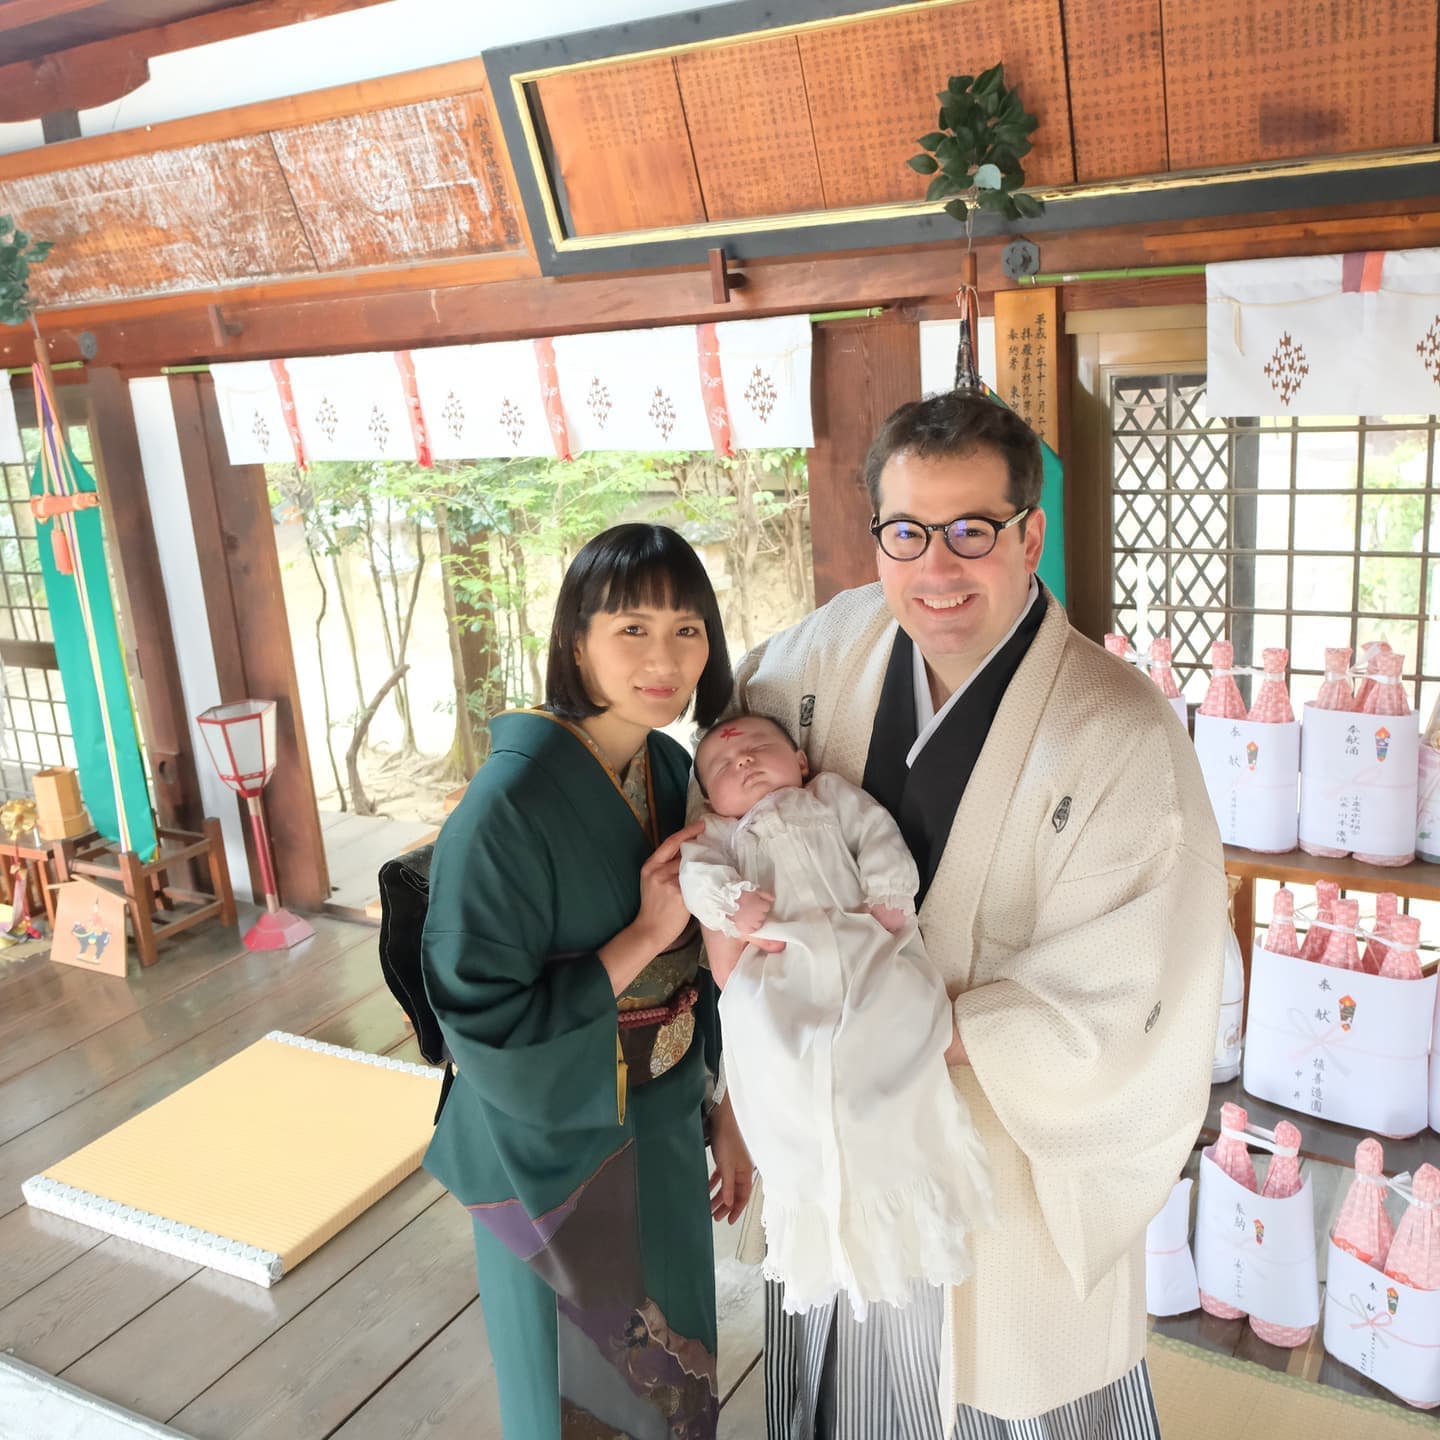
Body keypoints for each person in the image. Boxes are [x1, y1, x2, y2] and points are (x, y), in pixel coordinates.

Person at [733, 392, 1227, 1439]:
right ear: (878, 536)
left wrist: (887, 1021)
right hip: (842, 1149)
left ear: (1030, 533)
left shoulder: (1120, 731)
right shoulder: (832, 651)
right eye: (906, 532)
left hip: (995, 1174)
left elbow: (1129, 999)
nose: (937, 568)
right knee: (844, 1380)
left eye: (973, 531)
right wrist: (735, 931)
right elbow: (731, 781)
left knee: (996, 1390)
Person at [421, 523, 754, 1440]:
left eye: (688, 629)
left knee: (675, 1361)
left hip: (663, 1109)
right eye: (632, 630)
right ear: (577, 641)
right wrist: (644, 936)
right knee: (573, 1395)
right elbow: (481, 1018)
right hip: (550, 1140)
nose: (666, 658)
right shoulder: (504, 808)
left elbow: (711, 960)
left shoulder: (670, 765)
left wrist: (728, 1111)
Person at [678, 713, 994, 1320]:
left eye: (759, 748)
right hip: (779, 963)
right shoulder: (716, 834)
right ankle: (814, 1197)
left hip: (861, 942)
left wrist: (888, 893)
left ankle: (911, 1170)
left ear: (800, 761)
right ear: (709, 795)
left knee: (896, 1029)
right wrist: (730, 904)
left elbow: (877, 834)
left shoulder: (828, 796)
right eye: (722, 765)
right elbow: (698, 878)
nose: (742, 761)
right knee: (779, 1053)